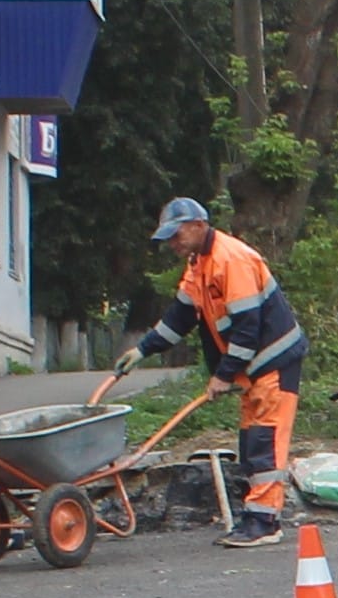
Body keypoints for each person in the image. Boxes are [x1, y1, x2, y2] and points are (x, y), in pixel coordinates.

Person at [129, 196, 306, 547]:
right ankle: (258, 516)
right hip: (255, 369)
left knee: (266, 441)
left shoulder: (230, 259)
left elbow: (247, 327)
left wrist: (223, 375)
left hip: (273, 363)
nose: (173, 244)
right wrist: (142, 349)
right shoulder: (199, 263)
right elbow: (181, 316)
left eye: (176, 235)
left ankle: (264, 523)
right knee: (252, 442)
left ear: (199, 225)